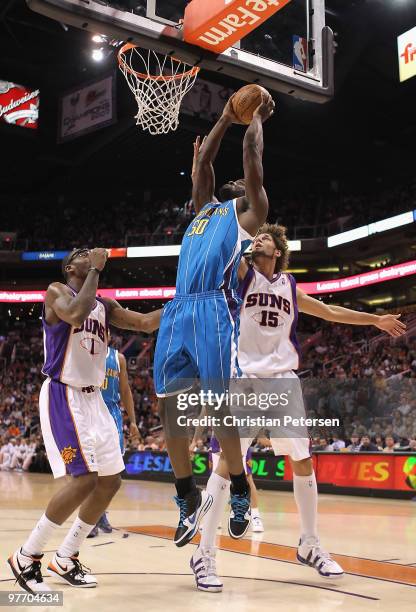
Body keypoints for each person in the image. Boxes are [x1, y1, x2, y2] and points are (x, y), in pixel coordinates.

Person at [190, 224, 406, 591]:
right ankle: (204, 554)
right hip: (245, 377)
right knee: (227, 465)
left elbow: (330, 311)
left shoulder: (289, 285)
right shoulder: (242, 276)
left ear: (278, 252)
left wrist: (375, 319)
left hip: (284, 380)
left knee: (302, 460)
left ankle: (309, 543)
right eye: (254, 238)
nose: (257, 241)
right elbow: (225, 242)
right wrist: (230, 210)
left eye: (264, 239)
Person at [153, 92, 275, 547]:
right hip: (179, 306)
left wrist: (255, 116)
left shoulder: (250, 215)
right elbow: (203, 162)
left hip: (212, 309)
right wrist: (224, 115)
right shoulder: (203, 209)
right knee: (171, 410)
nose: (239, 184)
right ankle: (185, 498)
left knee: (219, 405)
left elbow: (251, 154)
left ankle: (240, 490)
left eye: (244, 184)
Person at [7, 247, 161, 593]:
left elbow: (145, 323)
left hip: (95, 401)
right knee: (82, 480)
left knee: (110, 480)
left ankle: (66, 556)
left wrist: (183, 305)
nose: (86, 254)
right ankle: (27, 555)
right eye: (80, 254)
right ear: (69, 267)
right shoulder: (57, 292)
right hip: (64, 395)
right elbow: (76, 315)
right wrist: (95, 269)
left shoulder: (104, 306)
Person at [88, 337, 141, 538]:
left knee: (112, 474)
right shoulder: (85, 351)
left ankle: (100, 511)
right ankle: (90, 519)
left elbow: (125, 390)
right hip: (90, 411)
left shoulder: (118, 358)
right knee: (91, 471)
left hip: (112, 415)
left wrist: (133, 421)